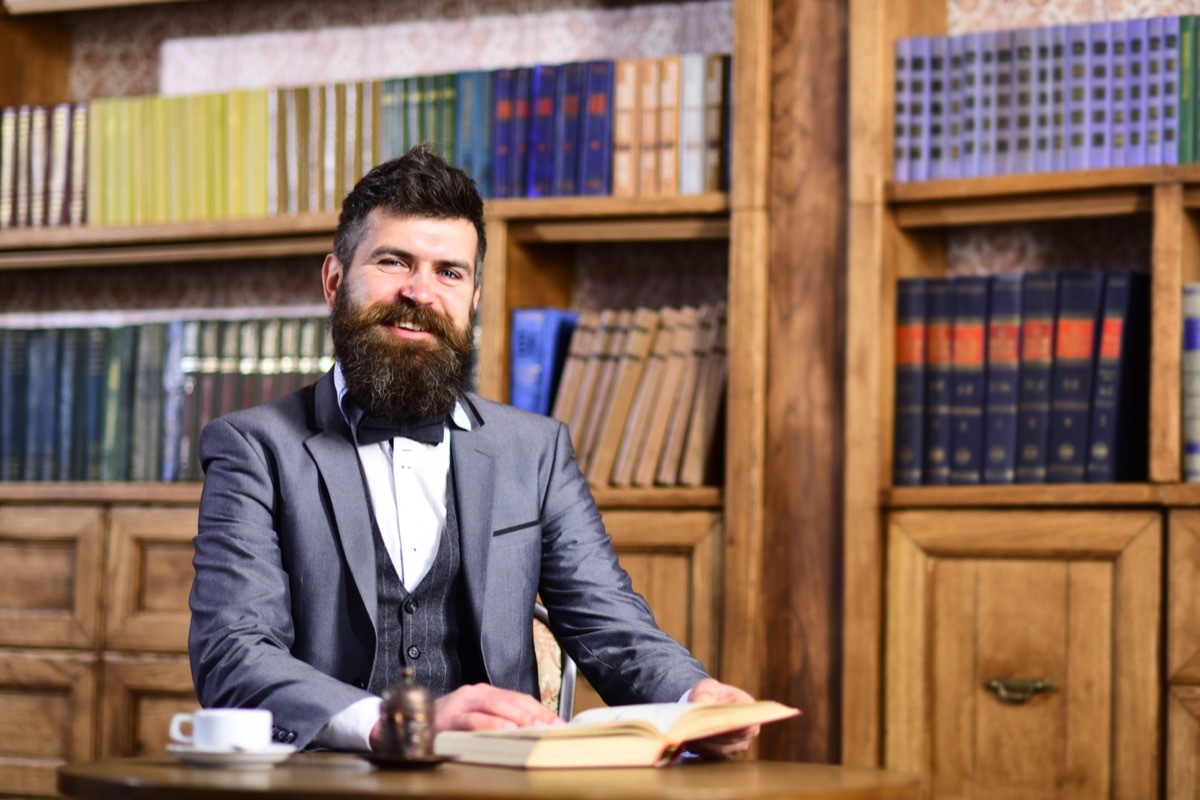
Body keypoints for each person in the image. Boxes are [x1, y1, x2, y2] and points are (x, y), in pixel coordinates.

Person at [188, 144, 759, 756]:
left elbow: (610, 623)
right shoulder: (253, 448)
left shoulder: (534, 451)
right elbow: (234, 654)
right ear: (334, 280)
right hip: (321, 781)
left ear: (474, 297)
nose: (420, 292)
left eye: (449, 272)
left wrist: (693, 698)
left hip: (499, 781)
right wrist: (395, 723)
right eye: (393, 262)